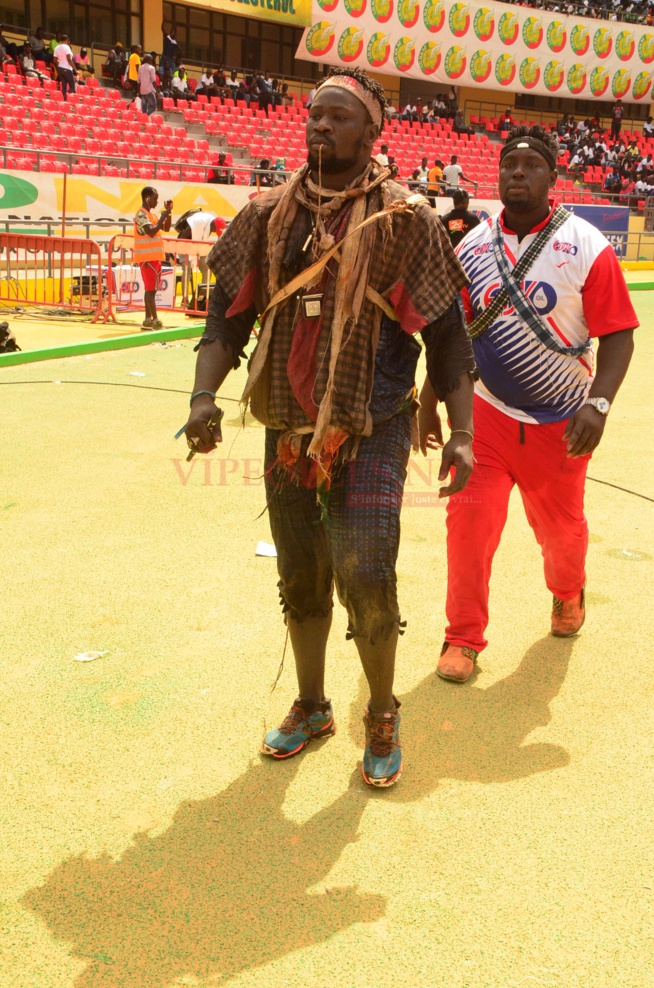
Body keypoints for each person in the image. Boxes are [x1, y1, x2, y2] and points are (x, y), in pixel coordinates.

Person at [183, 66, 474, 788]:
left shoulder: (408, 220)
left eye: (340, 117)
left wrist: (461, 430)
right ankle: (313, 705)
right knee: (301, 575)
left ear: (373, 134)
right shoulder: (265, 215)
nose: (321, 126)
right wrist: (202, 396)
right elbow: (228, 314)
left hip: (370, 424)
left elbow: (446, 335)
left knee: (366, 571)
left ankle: (381, 709)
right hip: (285, 423)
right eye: (315, 114)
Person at [420, 125, 637, 684]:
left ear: (552, 176)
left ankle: (568, 594)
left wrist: (601, 403)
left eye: (531, 164)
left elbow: (619, 335)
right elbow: (453, 334)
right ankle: (463, 637)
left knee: (561, 535)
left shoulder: (586, 243)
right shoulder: (471, 245)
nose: (517, 171)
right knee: (468, 522)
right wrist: (428, 398)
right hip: (485, 418)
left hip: (562, 421)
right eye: (509, 163)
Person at [133, 187, 173, 331]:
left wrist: (168, 213)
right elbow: (150, 232)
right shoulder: (141, 215)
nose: (157, 201)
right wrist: (163, 216)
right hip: (147, 259)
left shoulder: (152, 215)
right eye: (155, 198)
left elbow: (166, 228)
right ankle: (155, 321)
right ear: (147, 198)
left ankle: (148, 320)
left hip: (154, 258)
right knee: (150, 291)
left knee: (151, 290)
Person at [177, 210, 226, 307]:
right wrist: (190, 251)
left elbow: (201, 240)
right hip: (184, 245)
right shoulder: (199, 222)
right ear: (213, 225)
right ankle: (185, 300)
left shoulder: (209, 223)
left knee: (207, 269)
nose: (213, 232)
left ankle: (200, 298)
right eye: (214, 230)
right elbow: (181, 238)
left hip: (197, 247)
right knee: (187, 269)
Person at [53, 34, 76, 101]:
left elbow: (54, 60)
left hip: (60, 68)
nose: (69, 41)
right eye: (68, 40)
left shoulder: (57, 47)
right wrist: (75, 70)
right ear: (66, 40)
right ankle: (66, 95)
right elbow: (69, 59)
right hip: (67, 68)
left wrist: (60, 64)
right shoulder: (67, 47)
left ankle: (63, 99)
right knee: (72, 87)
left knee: (64, 86)